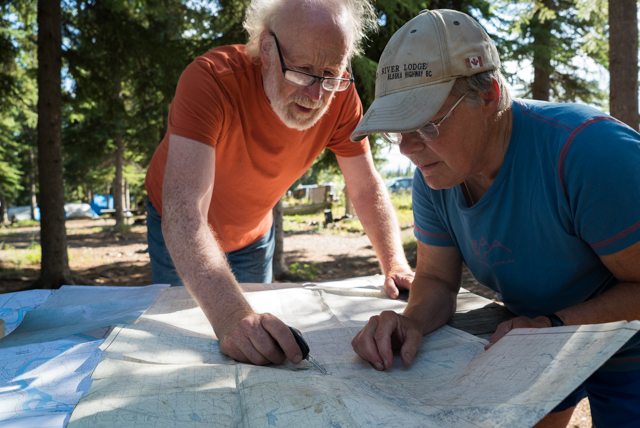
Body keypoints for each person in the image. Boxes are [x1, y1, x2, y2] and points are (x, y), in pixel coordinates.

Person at [349, 9, 640, 428]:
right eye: (397, 130)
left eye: (427, 123)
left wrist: (554, 324)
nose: (407, 149)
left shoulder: (588, 152)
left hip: (627, 345)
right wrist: (409, 322)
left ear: (488, 94)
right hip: (539, 340)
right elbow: (436, 280)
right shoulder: (436, 174)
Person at [144, 0, 415, 368]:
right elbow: (184, 212)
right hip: (177, 228)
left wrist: (395, 263)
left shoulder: (339, 96)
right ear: (267, 50)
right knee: (190, 342)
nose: (317, 95)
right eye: (303, 71)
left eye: (331, 73)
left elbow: (365, 186)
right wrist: (229, 318)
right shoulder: (210, 80)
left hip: (254, 235)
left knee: (262, 351)